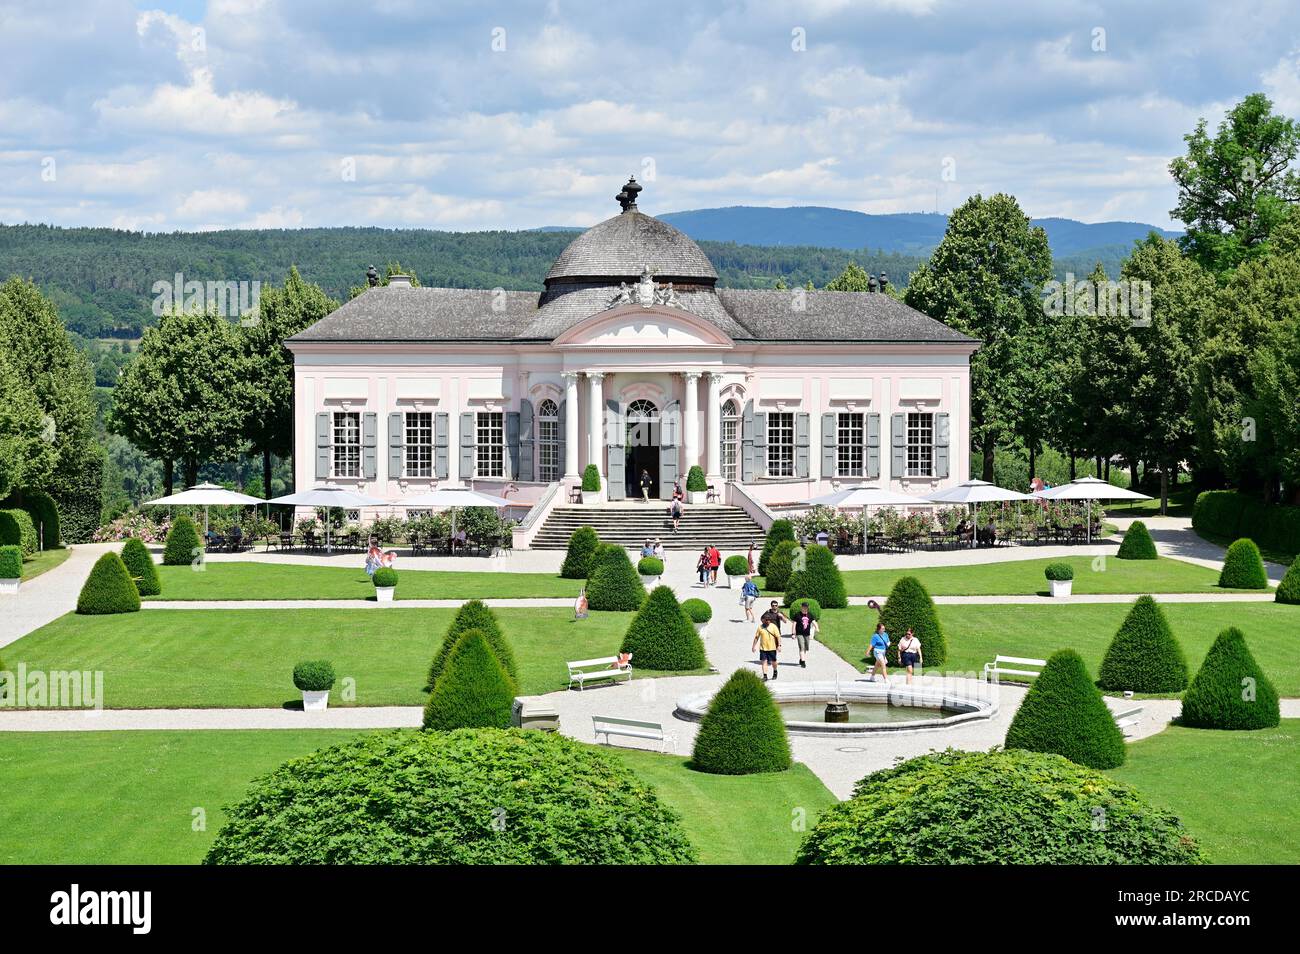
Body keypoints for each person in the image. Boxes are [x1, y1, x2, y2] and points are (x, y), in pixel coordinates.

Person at [752, 615, 782, 681]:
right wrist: (753, 646)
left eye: (769, 619)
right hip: (763, 648)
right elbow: (756, 637)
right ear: (763, 620)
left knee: (773, 662)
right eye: (767, 620)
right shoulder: (760, 627)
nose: (768, 621)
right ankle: (765, 676)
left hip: (772, 648)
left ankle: (775, 671)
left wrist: (779, 645)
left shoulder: (773, 626)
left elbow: (778, 637)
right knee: (764, 662)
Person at [791, 600, 817, 669]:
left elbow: (813, 621)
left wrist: (817, 627)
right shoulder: (797, 615)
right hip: (799, 634)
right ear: (801, 607)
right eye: (804, 607)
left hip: (807, 634)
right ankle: (803, 661)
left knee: (805, 648)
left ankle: (801, 659)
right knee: (802, 647)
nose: (805, 608)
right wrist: (793, 633)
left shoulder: (810, 614)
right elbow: (794, 624)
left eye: (806, 607)